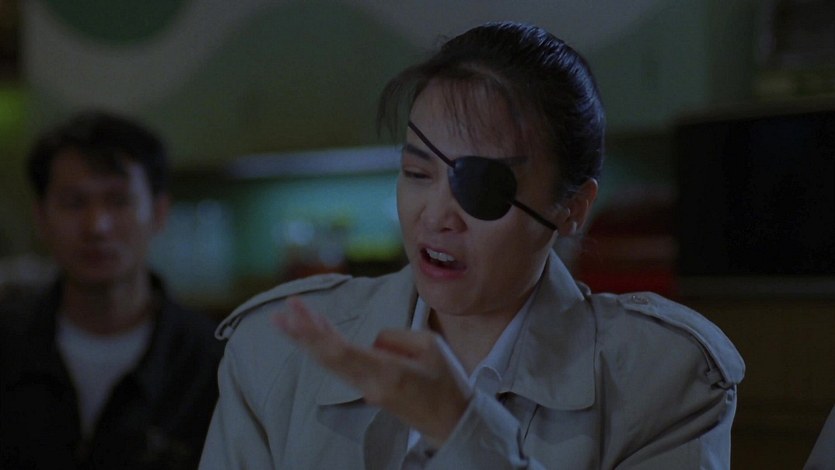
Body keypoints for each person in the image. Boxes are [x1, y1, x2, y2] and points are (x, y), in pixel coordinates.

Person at [199, 21, 744, 469]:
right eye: (417, 172)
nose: (436, 216)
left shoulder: (661, 379)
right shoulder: (273, 353)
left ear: (573, 207)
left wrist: (464, 433)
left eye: (482, 189)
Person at [0, 111, 224, 469]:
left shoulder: (212, 365)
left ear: (159, 212)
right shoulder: (9, 345)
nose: (97, 227)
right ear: (41, 218)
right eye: (74, 202)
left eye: (119, 201)